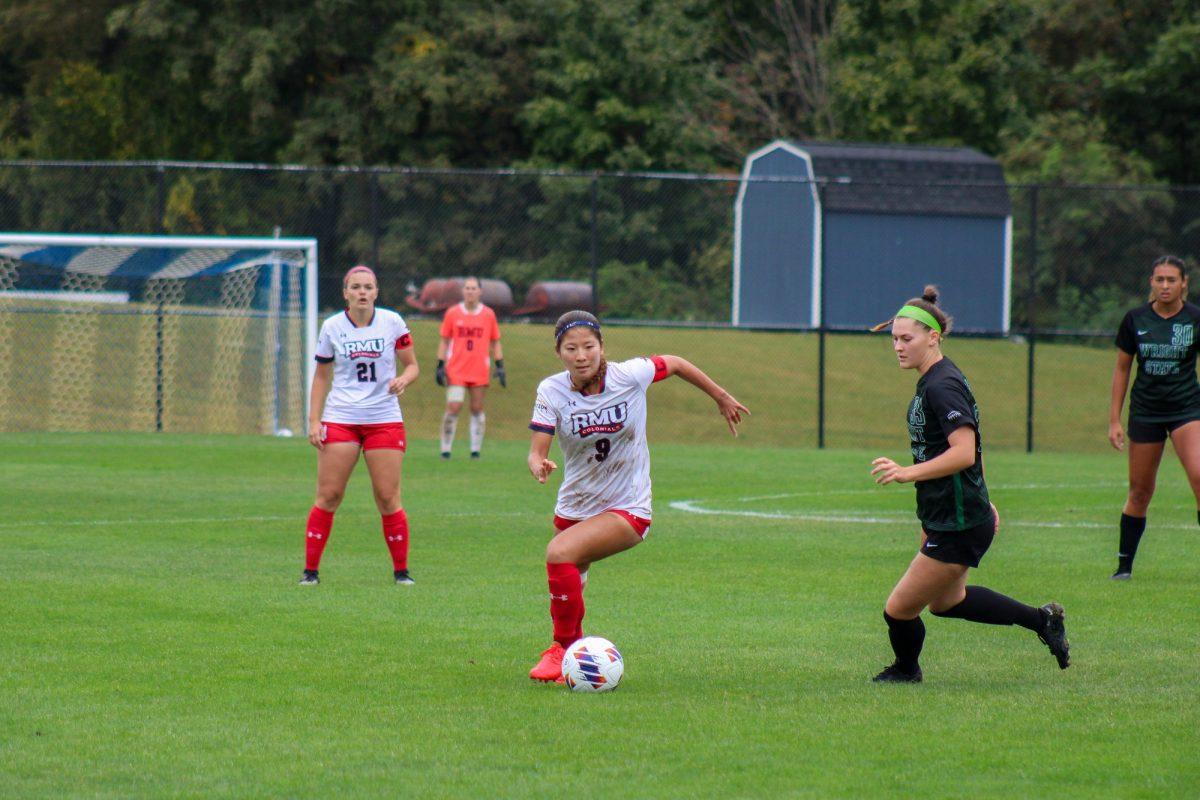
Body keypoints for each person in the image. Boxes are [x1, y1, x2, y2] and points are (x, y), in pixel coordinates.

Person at [526, 310, 749, 682]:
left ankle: (565, 650)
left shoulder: (629, 375)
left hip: (628, 507)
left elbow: (675, 363)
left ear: (602, 347)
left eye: (588, 346)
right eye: (571, 348)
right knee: (569, 580)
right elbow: (538, 450)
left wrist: (720, 396)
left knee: (559, 553)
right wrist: (538, 463)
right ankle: (570, 655)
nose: (581, 355)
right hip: (575, 504)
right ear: (559, 353)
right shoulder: (551, 390)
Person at [868, 287, 1069, 683]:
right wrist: (982, 496)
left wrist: (907, 473)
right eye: (894, 339)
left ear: (933, 337)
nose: (898, 346)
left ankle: (907, 670)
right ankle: (1042, 620)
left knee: (898, 609)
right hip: (952, 513)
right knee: (947, 602)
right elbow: (973, 451)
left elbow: (964, 451)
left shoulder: (941, 385)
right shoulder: (938, 377)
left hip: (958, 521)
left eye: (906, 339)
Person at [300, 265, 420, 586]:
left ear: (377, 292)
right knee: (329, 494)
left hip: (384, 418)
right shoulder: (332, 327)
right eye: (356, 287)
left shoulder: (392, 322)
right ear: (346, 293)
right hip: (341, 417)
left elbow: (412, 365)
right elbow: (322, 376)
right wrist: (314, 420)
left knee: (387, 496)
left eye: (368, 287)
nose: (363, 292)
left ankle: (401, 573)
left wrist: (403, 379)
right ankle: (310, 573)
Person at [1108, 255, 1200, 579]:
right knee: (1140, 491)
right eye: (1159, 279)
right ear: (1151, 282)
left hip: (1187, 410)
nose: (1165, 286)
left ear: (1183, 283)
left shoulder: (1194, 319)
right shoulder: (1135, 319)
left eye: (1171, 280)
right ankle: (1124, 567)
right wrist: (1115, 420)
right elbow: (1122, 369)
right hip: (1146, 412)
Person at [435, 276, 505, 459]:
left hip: (479, 369)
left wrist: (500, 365)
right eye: (467, 288)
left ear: (480, 291)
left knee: (476, 408)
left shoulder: (488, 314)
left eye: (474, 288)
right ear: (463, 291)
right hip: (456, 368)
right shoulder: (453, 313)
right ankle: (445, 449)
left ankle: (475, 450)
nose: (470, 291)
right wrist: (440, 365)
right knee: (454, 406)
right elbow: (444, 341)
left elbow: (495, 342)